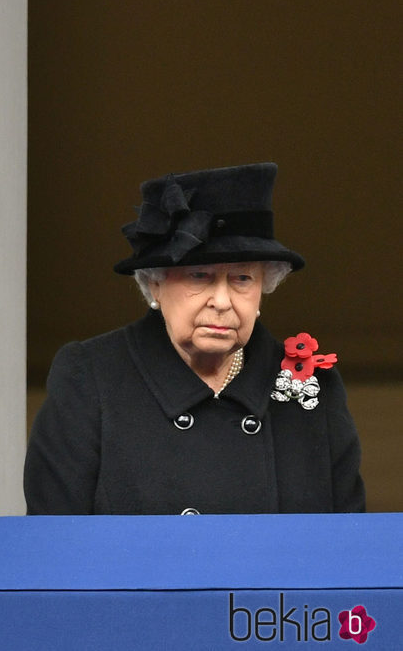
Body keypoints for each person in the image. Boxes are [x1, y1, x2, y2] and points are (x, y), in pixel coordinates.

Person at [24, 162, 365, 515]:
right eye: (199, 276)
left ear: (264, 287)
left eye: (243, 279)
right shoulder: (91, 378)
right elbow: (55, 543)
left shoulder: (314, 389)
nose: (222, 301)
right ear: (154, 282)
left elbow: (346, 547)